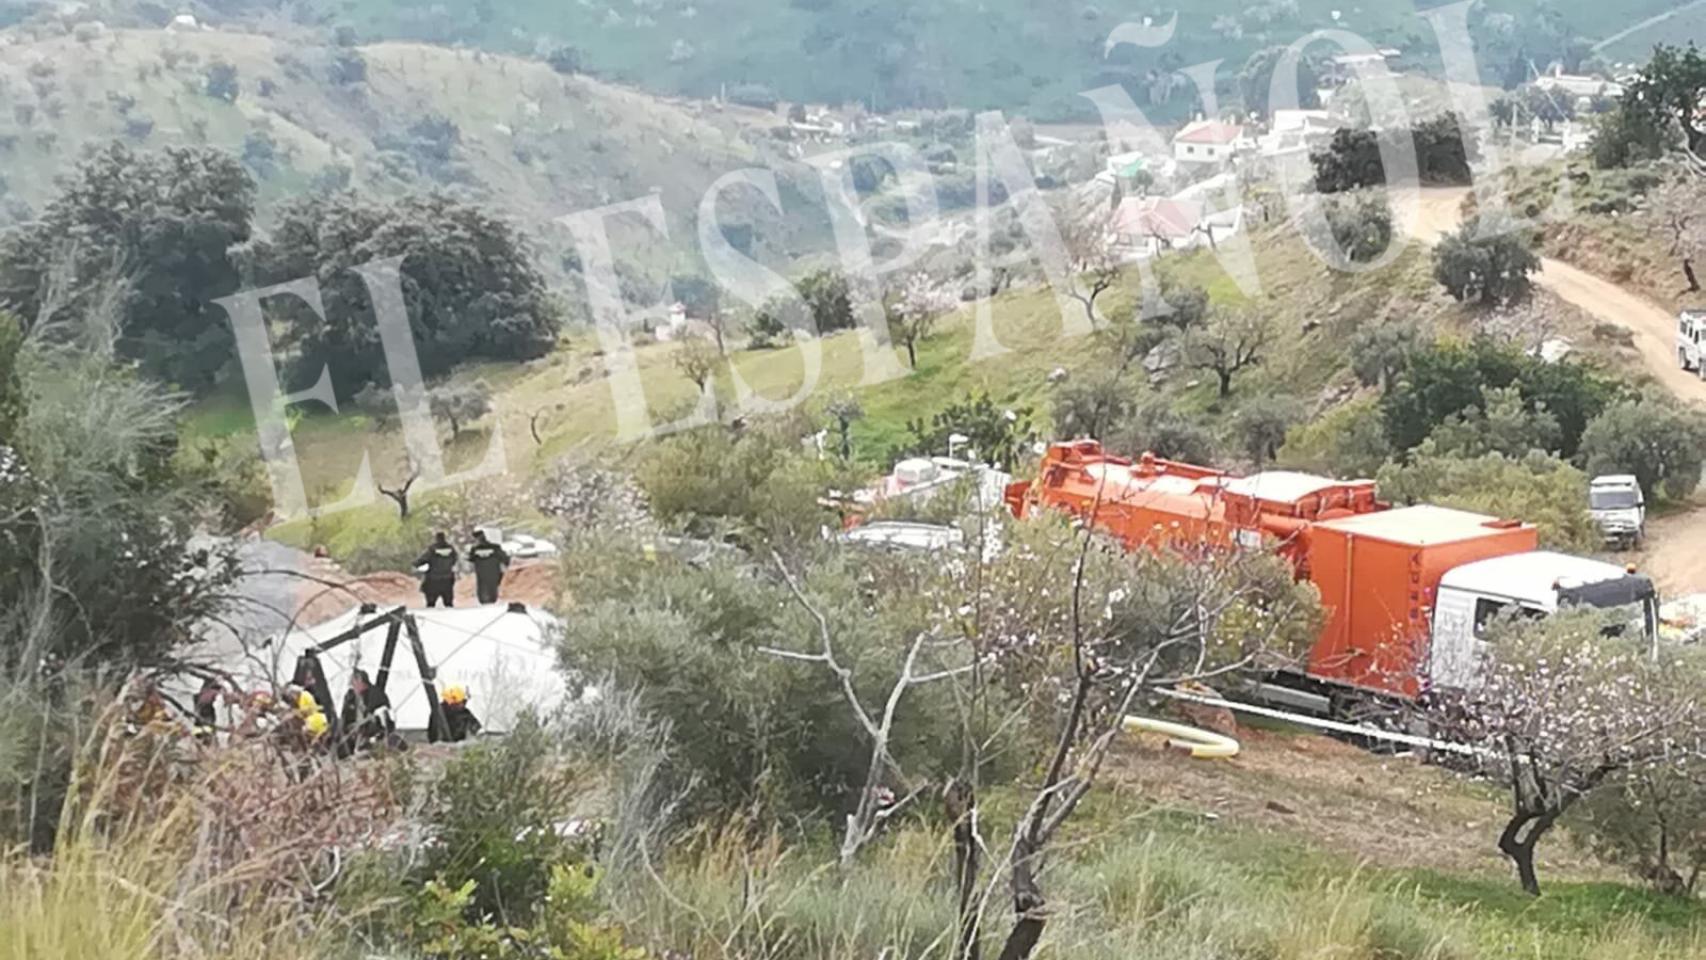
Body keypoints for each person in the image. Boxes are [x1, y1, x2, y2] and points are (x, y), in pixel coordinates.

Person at [339, 669, 396, 755]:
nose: (352, 687)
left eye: (354, 684)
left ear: (361, 681)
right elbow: (345, 716)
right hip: (353, 732)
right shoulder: (350, 697)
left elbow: (380, 716)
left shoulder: (376, 694)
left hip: (371, 731)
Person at [415, 532, 460, 608]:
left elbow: (422, 560)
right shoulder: (451, 549)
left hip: (433, 579)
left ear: (436, 538)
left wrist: (416, 564)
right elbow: (455, 559)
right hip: (447, 578)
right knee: (448, 603)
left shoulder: (432, 549)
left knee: (431, 603)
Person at [467, 530, 511, 605]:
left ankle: (483, 601)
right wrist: (507, 564)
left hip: (481, 572)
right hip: (494, 571)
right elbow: (504, 558)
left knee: (482, 586)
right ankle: (492, 600)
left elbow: (471, 559)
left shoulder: (475, 549)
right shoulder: (495, 547)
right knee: (493, 585)